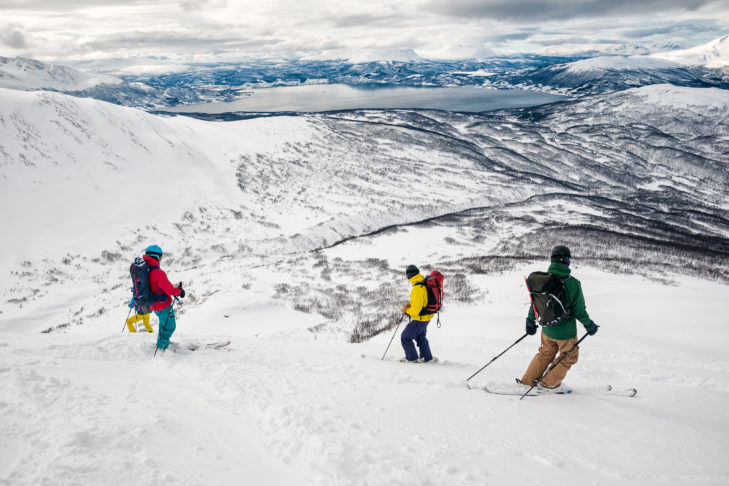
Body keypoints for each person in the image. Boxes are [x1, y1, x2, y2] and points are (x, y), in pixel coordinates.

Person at [520, 245, 598, 389]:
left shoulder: (542, 280)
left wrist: (530, 321)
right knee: (570, 355)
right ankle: (548, 384)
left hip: (547, 329)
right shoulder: (573, 283)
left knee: (545, 354)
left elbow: (535, 304)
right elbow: (579, 311)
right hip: (565, 333)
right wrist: (589, 325)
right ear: (567, 261)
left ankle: (527, 382)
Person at [143, 245, 185, 351]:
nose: (160, 259)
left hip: (153, 303)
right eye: (160, 257)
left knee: (163, 324)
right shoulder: (158, 273)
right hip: (162, 304)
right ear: (156, 256)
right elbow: (169, 290)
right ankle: (162, 347)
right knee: (169, 326)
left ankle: (162, 341)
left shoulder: (146, 270)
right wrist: (179, 291)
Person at [400, 265, 435, 363]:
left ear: (409, 276)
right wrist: (411, 305)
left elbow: (415, 311)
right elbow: (422, 302)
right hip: (426, 318)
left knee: (405, 337)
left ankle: (412, 359)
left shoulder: (417, 288)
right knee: (420, 337)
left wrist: (406, 310)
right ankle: (427, 358)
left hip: (419, 320)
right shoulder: (423, 284)